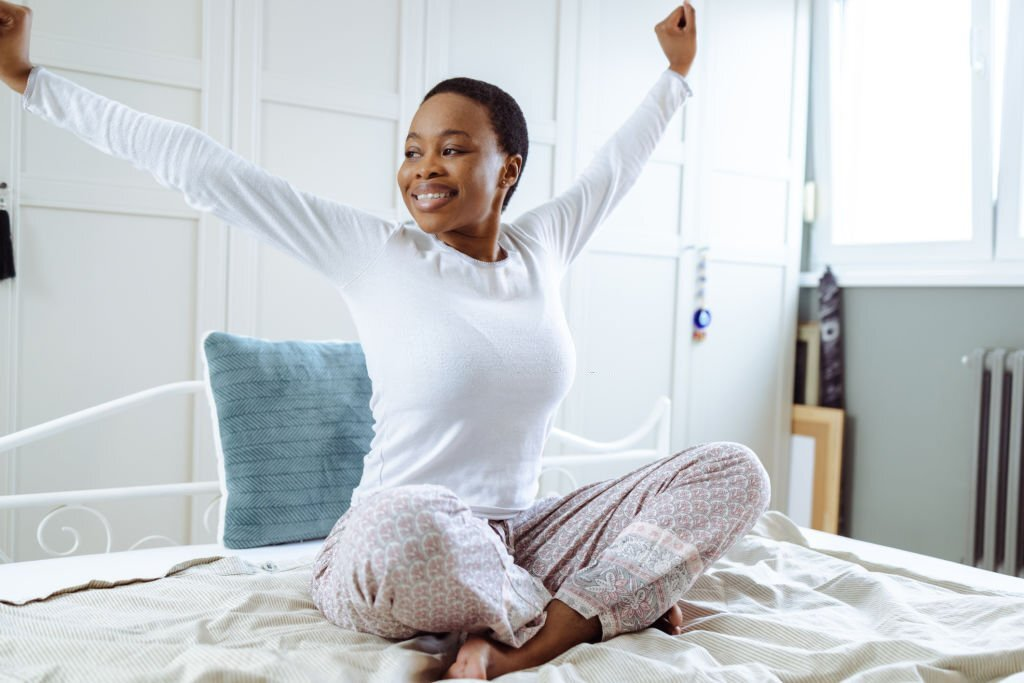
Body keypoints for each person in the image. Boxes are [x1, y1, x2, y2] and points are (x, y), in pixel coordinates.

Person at [0, 1, 771, 679]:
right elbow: (201, 166)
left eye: (454, 147)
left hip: (518, 540)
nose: (423, 168)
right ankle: (595, 609)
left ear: (510, 169)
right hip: (391, 543)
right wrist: (31, 79)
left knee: (733, 470)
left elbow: (619, 165)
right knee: (406, 527)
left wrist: (675, 76)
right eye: (411, 149)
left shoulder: (546, 247)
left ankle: (541, 628)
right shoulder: (376, 252)